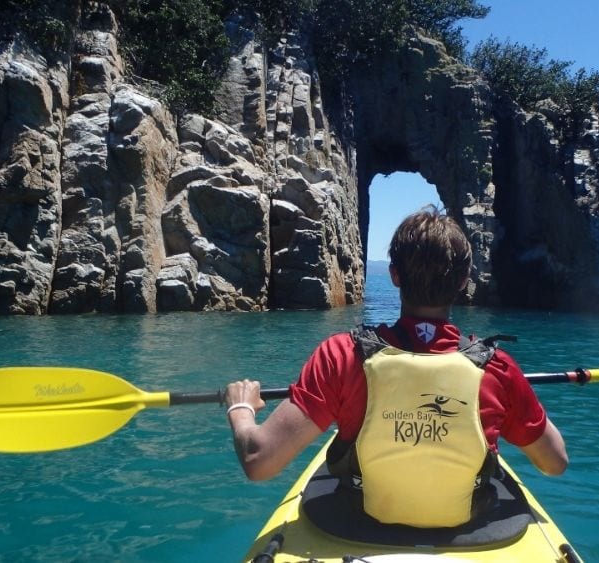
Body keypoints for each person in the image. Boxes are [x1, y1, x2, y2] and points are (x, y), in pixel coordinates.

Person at [224, 206, 568, 528]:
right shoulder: (498, 368)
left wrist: (240, 408)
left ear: (393, 276)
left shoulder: (341, 355)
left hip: (359, 523)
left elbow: (260, 461)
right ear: (464, 280)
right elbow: (554, 463)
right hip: (469, 525)